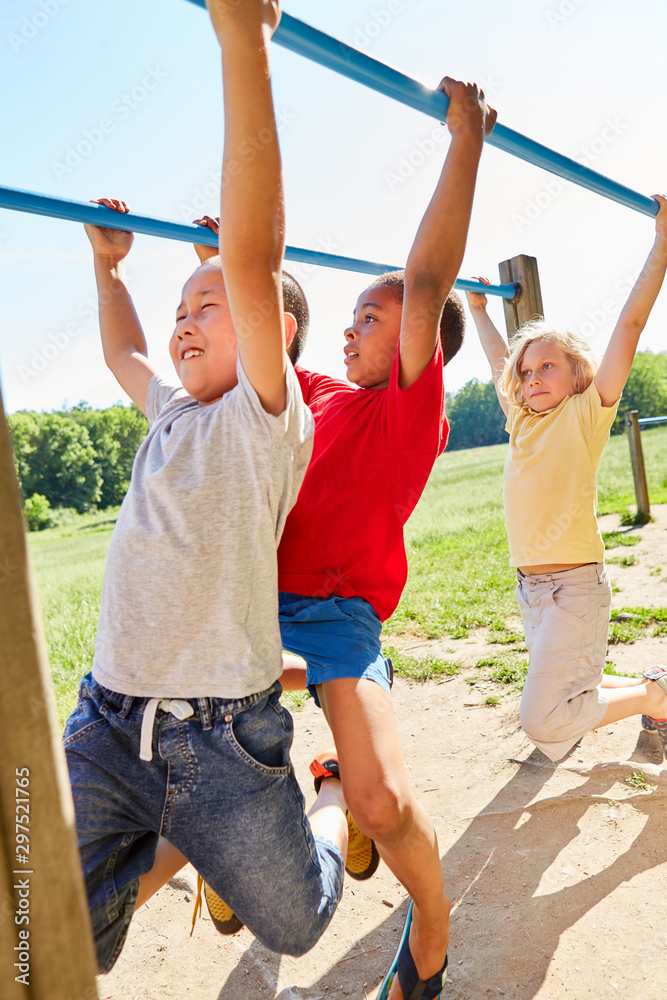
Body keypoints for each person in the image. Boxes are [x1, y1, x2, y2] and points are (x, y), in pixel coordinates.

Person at [189, 74, 495, 1000]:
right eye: (352, 316)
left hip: (338, 616)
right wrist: (219, 249)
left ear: (418, 344)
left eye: (374, 317)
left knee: (381, 800)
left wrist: (464, 142)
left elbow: (430, 278)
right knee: (205, 734)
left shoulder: (406, 409)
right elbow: (254, 298)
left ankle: (432, 934)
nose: (355, 328)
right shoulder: (310, 396)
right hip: (255, 609)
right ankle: (250, 831)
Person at [64, 0, 353, 973]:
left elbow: (255, 252)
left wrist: (241, 43)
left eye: (211, 304)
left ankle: (328, 790)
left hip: (225, 737)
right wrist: (111, 270)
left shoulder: (261, 419)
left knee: (299, 921)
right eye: (182, 309)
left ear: (273, 330)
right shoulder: (173, 411)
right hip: (108, 717)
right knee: (44, 930)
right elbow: (123, 348)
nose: (186, 321)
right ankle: (172, 841)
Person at [465, 193, 667, 768]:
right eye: (525, 373)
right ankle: (655, 686)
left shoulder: (586, 414)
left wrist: (661, 248)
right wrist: (479, 311)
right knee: (561, 720)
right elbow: (500, 364)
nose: (530, 379)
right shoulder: (521, 422)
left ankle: (656, 695)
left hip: (576, 587)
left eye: (546, 366)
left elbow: (629, 324)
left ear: (579, 373)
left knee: (544, 721)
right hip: (532, 592)